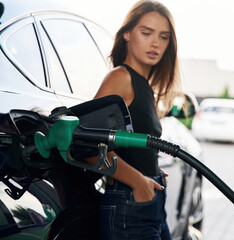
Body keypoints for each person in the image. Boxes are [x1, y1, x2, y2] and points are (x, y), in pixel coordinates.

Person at [92, 0, 182, 239]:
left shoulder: (144, 86)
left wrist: (150, 169)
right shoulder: (120, 78)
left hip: (148, 201)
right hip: (130, 205)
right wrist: (138, 180)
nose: (155, 43)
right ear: (127, 34)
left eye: (163, 37)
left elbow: (130, 142)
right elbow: (86, 145)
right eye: (146, 33)